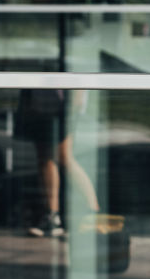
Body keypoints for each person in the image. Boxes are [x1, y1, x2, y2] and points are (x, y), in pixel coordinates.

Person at [15, 88, 100, 237]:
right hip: (40, 104)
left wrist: (75, 103)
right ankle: (51, 217)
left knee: (64, 156)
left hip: (62, 104)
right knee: (44, 158)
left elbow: (76, 72)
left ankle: (92, 211)